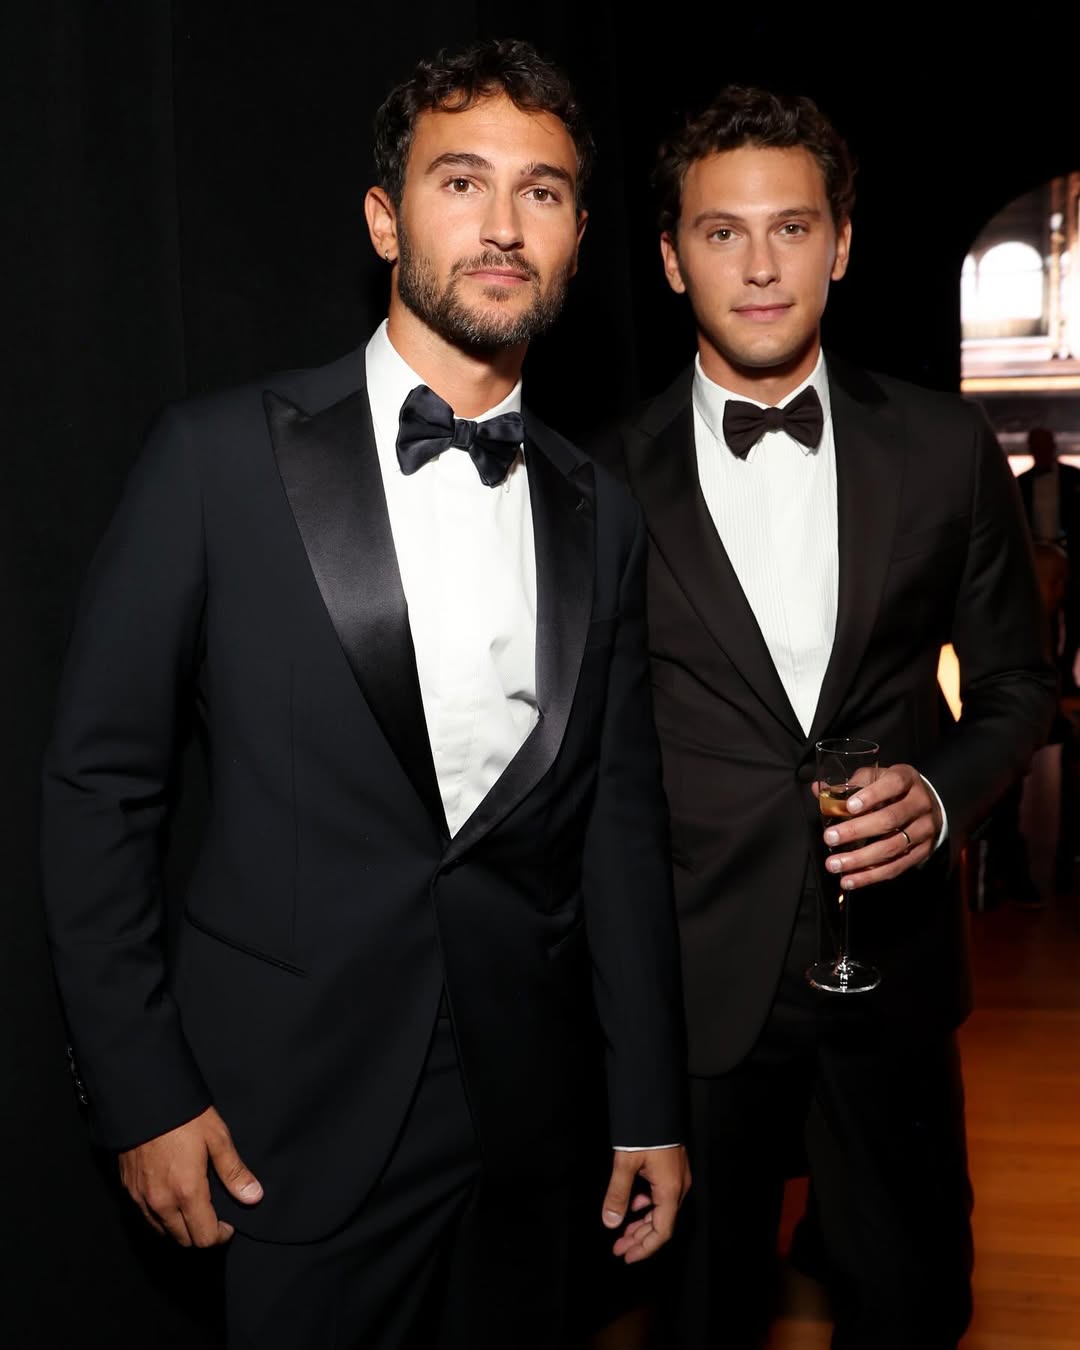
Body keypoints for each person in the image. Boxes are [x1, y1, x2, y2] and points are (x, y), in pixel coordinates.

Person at [40, 39, 689, 1350]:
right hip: (278, 1117)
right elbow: (99, 788)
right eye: (462, 182)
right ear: (386, 219)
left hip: (528, 1125)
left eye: (544, 191)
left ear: (576, 238)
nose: (503, 225)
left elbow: (618, 826)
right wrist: (142, 1089)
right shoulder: (217, 460)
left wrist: (649, 1104)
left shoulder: (603, 513)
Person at [594, 85, 1055, 1348]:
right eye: (722, 232)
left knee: (914, 1304)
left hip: (892, 974)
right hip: (695, 984)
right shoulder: (599, 478)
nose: (760, 266)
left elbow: (1018, 687)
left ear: (841, 246)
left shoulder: (944, 447)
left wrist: (942, 796)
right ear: (671, 257)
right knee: (699, 1316)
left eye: (791, 228)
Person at [1016, 426, 1080, 690]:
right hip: (1038, 562)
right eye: (1036, 445)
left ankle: (1066, 672)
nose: (1041, 450)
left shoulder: (1074, 477)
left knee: (1075, 617)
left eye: (1045, 444)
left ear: (1053, 446)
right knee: (1045, 621)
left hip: (1073, 559)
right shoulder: (1021, 483)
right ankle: (1051, 674)